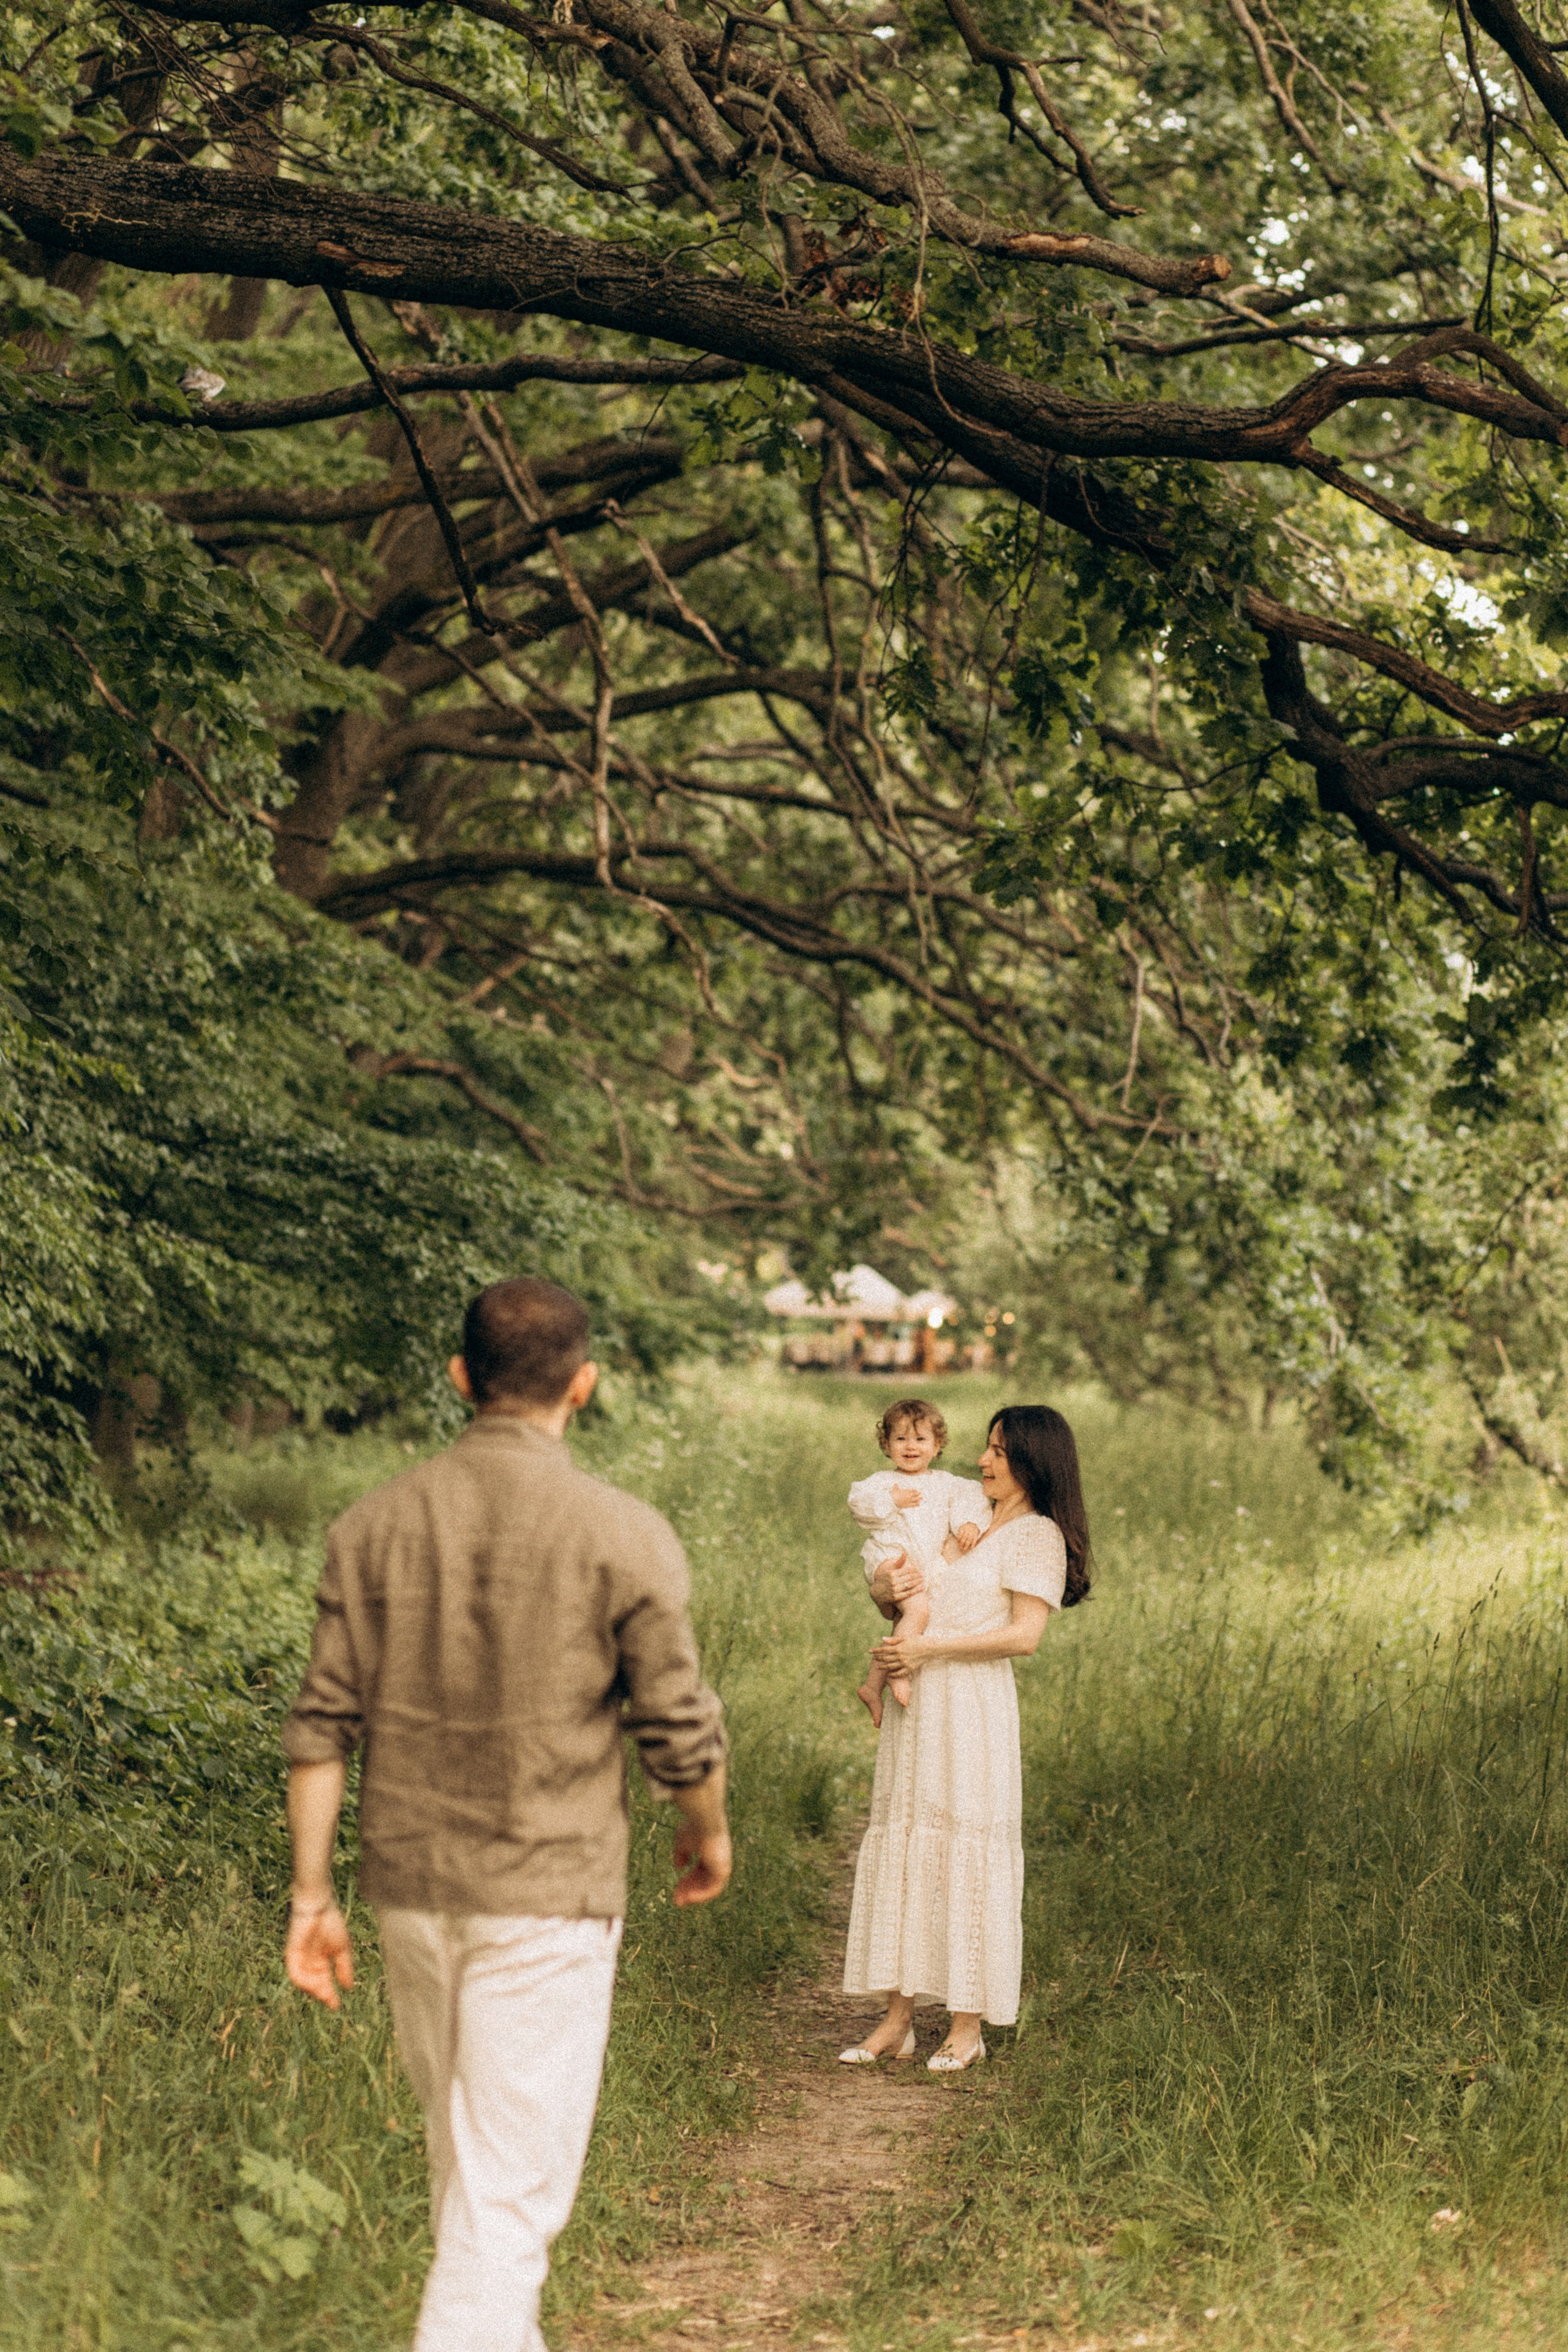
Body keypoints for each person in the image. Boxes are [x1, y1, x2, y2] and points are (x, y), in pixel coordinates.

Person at [280, 1275, 731, 2352]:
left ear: (458, 1378)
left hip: (412, 1889)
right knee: (504, 2194)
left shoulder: (372, 1525)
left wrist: (312, 1895)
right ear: (585, 1385)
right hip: (549, 1892)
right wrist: (706, 1826)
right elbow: (677, 1724)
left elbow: (319, 1726)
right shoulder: (622, 1532)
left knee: (472, 2172)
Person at [840, 1404, 1091, 2073]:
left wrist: (930, 1652)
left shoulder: (1034, 1535)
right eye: (985, 1448)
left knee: (966, 1847)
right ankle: (898, 2020)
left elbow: (1023, 1637)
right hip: (917, 1709)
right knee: (907, 1843)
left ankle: (966, 2022)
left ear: (1033, 1464)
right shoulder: (961, 1519)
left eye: (999, 1453)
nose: (983, 1461)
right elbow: (909, 1597)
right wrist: (881, 1588)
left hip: (972, 1711)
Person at [846, 1399, 987, 1726]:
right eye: (901, 1439)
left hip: (921, 1565)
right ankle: (899, 1670)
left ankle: (872, 1685)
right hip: (889, 1560)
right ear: (886, 1444)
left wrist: (969, 1523)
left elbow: (973, 1497)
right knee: (919, 1611)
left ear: (937, 1446)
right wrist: (890, 1500)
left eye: (921, 1439)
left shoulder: (947, 1484)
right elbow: (859, 1506)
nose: (911, 1447)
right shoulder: (882, 1482)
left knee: (912, 1615)